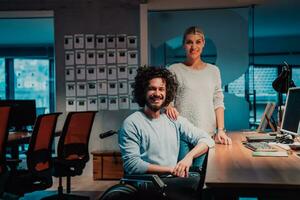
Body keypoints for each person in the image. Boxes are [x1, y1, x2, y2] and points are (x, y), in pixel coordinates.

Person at [118, 66, 215, 199]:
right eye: (152, 88)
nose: (157, 93)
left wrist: (188, 158)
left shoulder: (173, 120)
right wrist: (170, 169)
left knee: (204, 184)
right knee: (200, 185)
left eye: (161, 89)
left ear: (166, 92)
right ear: (143, 91)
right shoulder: (132, 123)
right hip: (148, 182)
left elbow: (206, 139)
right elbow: (132, 165)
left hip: (170, 179)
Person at [166, 26, 232, 148]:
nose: (194, 47)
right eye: (189, 42)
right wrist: (169, 106)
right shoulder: (174, 69)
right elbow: (168, 99)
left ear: (203, 44)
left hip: (207, 134)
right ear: (184, 45)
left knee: (208, 167)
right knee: (183, 167)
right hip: (182, 135)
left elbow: (218, 102)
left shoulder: (214, 71)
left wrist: (221, 130)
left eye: (198, 42)